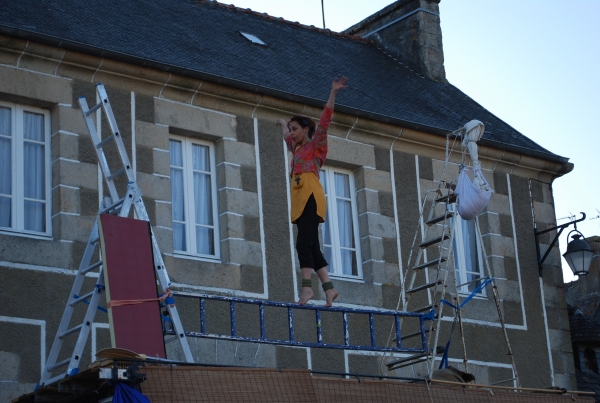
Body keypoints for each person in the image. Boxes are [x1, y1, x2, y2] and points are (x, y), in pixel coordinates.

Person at [276, 76, 348, 306]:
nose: (292, 133)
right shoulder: (296, 148)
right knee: (313, 247)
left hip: (310, 196)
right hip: (299, 199)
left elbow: (325, 120)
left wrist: (333, 92)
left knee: (302, 244)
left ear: (306, 129)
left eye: (296, 129)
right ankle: (329, 289)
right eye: (291, 130)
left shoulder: (315, 145)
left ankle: (307, 288)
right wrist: (283, 123)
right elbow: (286, 137)